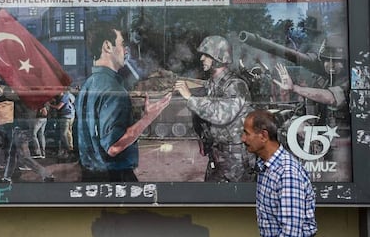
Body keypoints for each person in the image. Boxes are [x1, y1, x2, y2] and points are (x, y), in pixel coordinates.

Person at [76, 27, 172, 182]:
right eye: (121, 44)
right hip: (114, 178)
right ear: (107, 46)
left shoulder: (89, 84)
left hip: (90, 175)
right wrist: (147, 118)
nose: (125, 50)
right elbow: (114, 147)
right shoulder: (113, 90)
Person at [174, 35, 255, 182]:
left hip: (235, 160)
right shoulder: (213, 83)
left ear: (218, 57)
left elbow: (222, 115)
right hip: (218, 155)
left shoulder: (236, 85)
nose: (201, 59)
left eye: (206, 55)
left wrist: (190, 98)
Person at [241, 109, 317, 237]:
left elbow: (291, 233)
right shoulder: (266, 166)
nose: (243, 139)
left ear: (263, 136)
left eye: (247, 134)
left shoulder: (287, 174)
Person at [49, 89, 75, 159]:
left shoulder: (64, 97)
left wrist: (49, 105)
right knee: (68, 133)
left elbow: (59, 107)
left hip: (66, 116)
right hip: (71, 116)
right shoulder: (70, 95)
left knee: (63, 134)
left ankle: (68, 150)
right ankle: (69, 148)